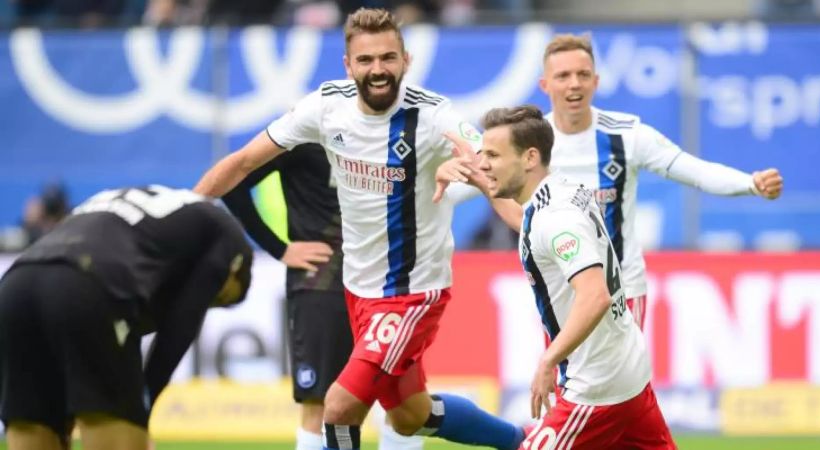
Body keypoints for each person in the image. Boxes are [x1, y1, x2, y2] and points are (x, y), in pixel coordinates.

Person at [194, 7, 524, 450]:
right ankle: (524, 441)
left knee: (338, 406)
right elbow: (244, 163)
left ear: (406, 60)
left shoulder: (433, 117)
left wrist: (535, 225)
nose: (378, 70)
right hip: (358, 289)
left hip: (411, 293)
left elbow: (494, 178)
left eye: (388, 58)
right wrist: (184, 213)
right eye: (365, 61)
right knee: (411, 416)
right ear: (348, 65)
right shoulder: (325, 107)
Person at [440, 34, 785, 329]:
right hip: (561, 293)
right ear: (545, 85)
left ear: (596, 81)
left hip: (623, 292)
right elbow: (468, 184)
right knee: (590, 395)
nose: (573, 83)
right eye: (563, 76)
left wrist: (750, 183)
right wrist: (428, 190)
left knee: (603, 394)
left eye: (582, 74)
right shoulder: (527, 144)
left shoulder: (626, 135)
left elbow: (694, 170)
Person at [474, 104, 677, 449]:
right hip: (627, 368)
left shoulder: (556, 218)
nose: (483, 163)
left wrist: (548, 360)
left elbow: (594, 295)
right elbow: (529, 226)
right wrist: (479, 179)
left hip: (597, 385)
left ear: (529, 158)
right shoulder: (561, 192)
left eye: (493, 155)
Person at [0, 185, 253, 450]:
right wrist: (139, 413)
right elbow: (177, 331)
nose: (208, 303)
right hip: (87, 283)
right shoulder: (229, 238)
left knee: (33, 423)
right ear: (236, 270)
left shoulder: (139, 215)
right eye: (218, 300)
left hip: (15, 285)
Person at [222, 144, 425, 450]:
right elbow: (232, 183)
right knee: (318, 402)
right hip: (322, 284)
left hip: (388, 286)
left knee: (405, 403)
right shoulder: (302, 133)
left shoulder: (394, 133)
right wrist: (279, 248)